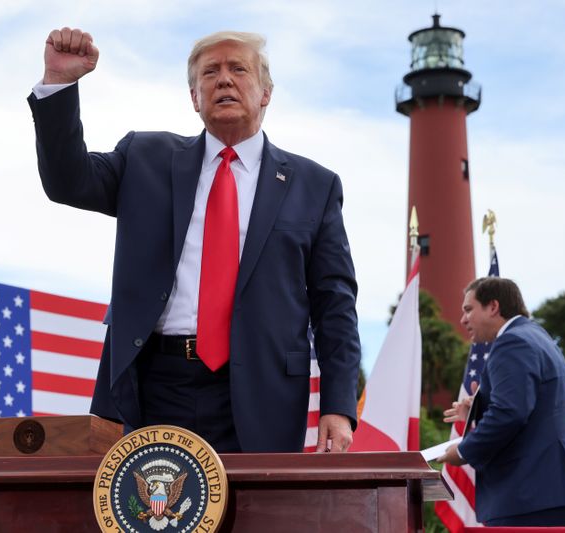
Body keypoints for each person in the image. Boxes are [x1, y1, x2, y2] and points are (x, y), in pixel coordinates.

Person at [27, 28, 361, 453]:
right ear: (193, 97)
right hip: (153, 385)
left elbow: (335, 304)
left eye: (238, 69)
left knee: (258, 518)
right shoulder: (144, 157)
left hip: (262, 392)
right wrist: (59, 84)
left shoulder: (315, 185)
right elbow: (66, 183)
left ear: (265, 93)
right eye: (210, 72)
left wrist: (338, 404)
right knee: (150, 515)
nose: (223, 79)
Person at [438, 277, 565, 526]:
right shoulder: (535, 336)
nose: (463, 319)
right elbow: (535, 404)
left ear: (493, 307)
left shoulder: (512, 343)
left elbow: (509, 413)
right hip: (550, 490)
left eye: (469, 309)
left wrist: (462, 451)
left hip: (533, 494)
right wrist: (477, 408)